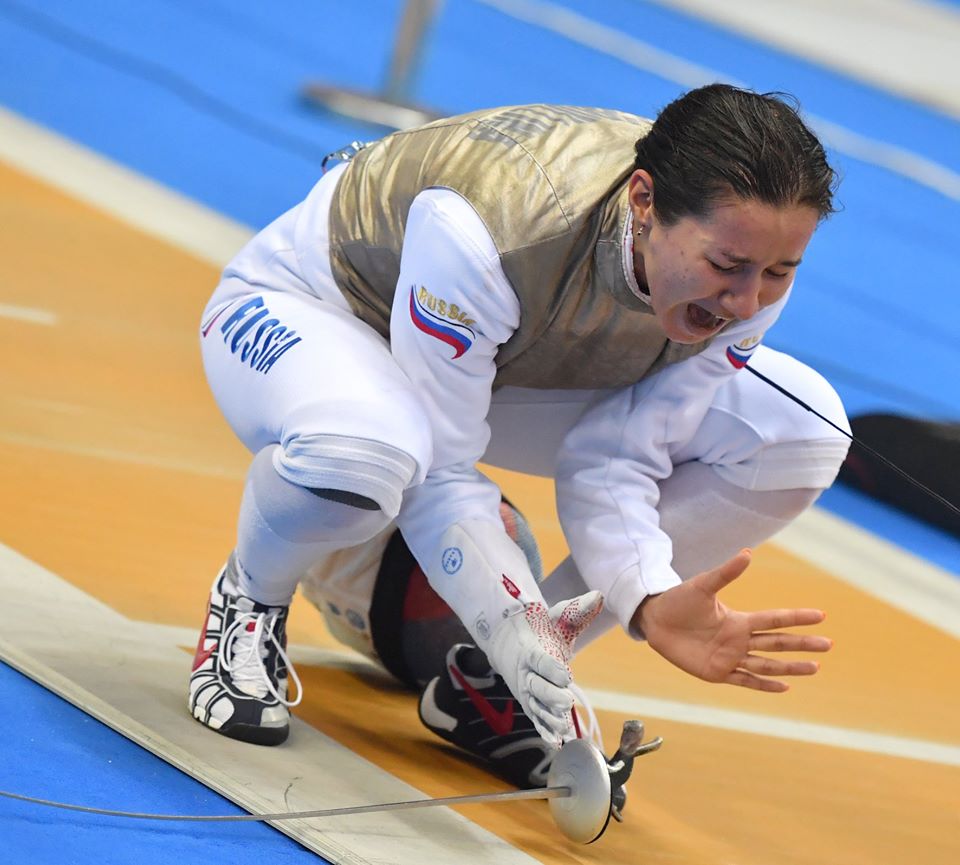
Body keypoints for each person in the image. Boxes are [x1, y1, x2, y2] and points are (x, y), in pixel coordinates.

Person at [189, 86, 849, 784]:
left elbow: (617, 461)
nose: (747, 302)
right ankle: (250, 599)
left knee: (801, 432)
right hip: (324, 314)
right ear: (645, 201)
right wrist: (513, 619)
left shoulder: (746, 252)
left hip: (503, 359)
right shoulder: (493, 225)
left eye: (779, 273)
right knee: (372, 451)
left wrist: (648, 597)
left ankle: (498, 683)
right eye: (727, 268)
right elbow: (439, 475)